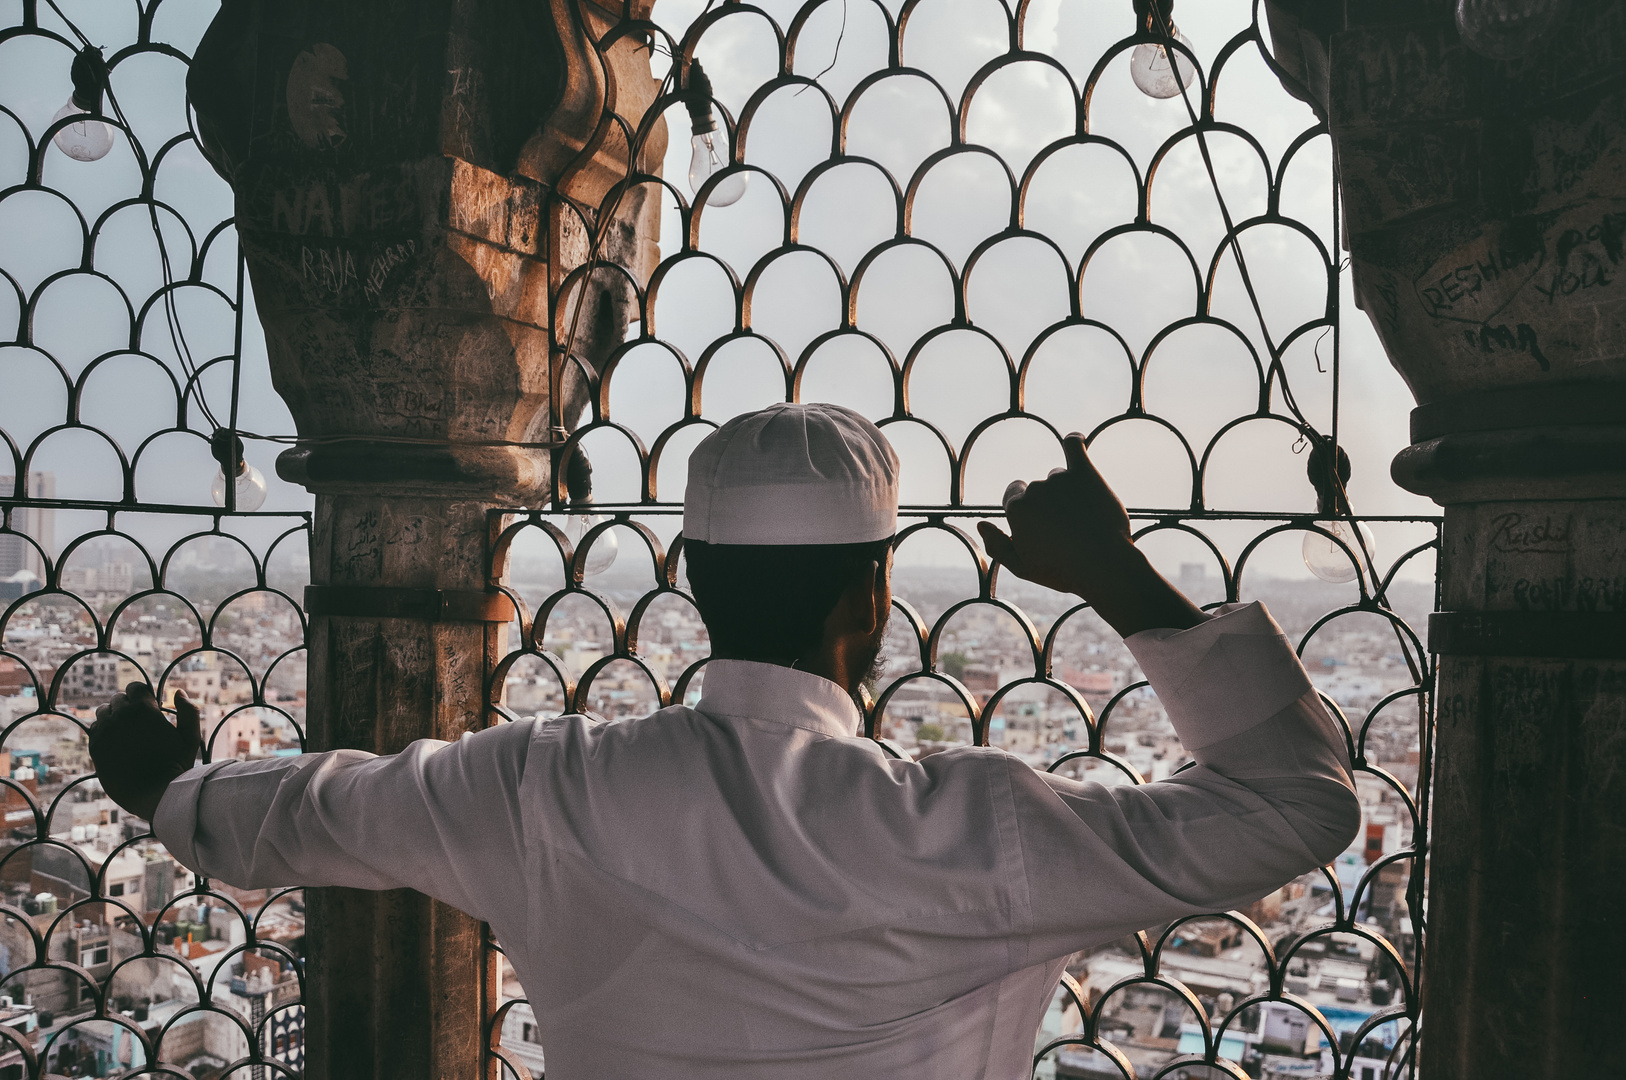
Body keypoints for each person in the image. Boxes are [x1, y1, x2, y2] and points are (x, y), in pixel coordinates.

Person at [91, 403, 1360, 1079]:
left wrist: (165, 787)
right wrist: (1118, 576)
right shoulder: (983, 832)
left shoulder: (542, 785)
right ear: (877, 595)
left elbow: (318, 811)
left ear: (692, 574)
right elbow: (1293, 807)